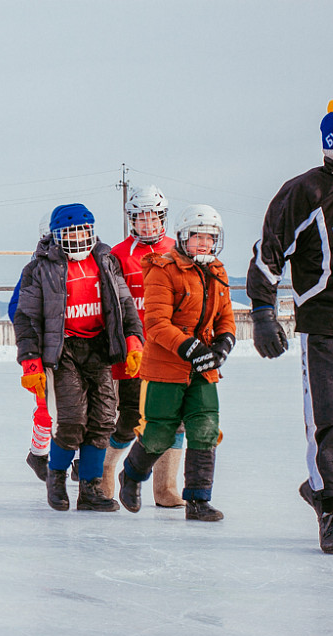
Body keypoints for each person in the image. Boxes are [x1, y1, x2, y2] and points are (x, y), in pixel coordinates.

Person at [247, 98, 333, 554]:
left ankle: (320, 485)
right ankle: (332, 509)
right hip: (327, 325)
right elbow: (268, 253)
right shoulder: (305, 192)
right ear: (329, 146)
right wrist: (261, 311)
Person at [14, 203, 143, 512]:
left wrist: (133, 340)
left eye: (82, 231)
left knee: (102, 421)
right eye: (69, 232)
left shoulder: (105, 260)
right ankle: (56, 478)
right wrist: (30, 360)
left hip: (99, 349)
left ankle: (90, 487)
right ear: (57, 236)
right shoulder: (40, 268)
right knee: (71, 421)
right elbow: (26, 318)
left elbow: (124, 304)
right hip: (64, 352)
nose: (77, 237)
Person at [119, 205, 235, 521]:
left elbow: (225, 315)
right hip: (166, 365)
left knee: (206, 427)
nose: (203, 243)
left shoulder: (217, 271)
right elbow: (156, 323)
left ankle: (198, 500)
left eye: (210, 237)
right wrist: (189, 348)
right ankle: (130, 475)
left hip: (203, 367)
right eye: (197, 236)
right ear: (183, 237)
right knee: (159, 433)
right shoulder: (162, 269)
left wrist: (224, 341)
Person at [104, 185, 184, 506]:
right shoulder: (119, 255)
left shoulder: (179, 251)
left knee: (174, 418)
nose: (147, 224)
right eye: (140, 218)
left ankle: (165, 489)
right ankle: (108, 469)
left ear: (162, 217)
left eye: (153, 217)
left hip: (169, 350)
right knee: (129, 418)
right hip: (132, 351)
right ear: (131, 220)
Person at [9, 213, 53, 481]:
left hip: (82, 350)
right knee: (47, 407)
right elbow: (17, 309)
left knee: (87, 411)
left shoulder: (88, 266)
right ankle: (38, 454)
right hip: (45, 352)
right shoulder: (34, 270)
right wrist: (31, 349)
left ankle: (81, 460)